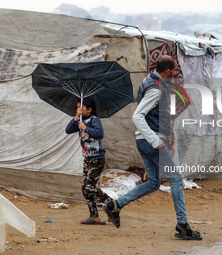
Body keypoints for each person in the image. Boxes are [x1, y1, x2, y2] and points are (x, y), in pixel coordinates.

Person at [103, 55, 202, 240]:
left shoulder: (150, 81)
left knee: (153, 182)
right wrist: (155, 141)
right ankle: (183, 224)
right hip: (151, 141)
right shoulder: (155, 88)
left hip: (145, 141)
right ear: (167, 71)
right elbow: (137, 116)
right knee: (176, 179)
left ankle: (115, 205)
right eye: (173, 70)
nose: (174, 73)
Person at [66, 97, 112, 225]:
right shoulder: (80, 120)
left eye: (81, 108)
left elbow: (100, 133)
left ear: (90, 109)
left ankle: (111, 203)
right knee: (85, 188)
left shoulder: (94, 120)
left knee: (89, 186)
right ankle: (94, 216)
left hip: (97, 158)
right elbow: (68, 130)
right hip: (87, 158)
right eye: (78, 107)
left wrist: (85, 128)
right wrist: (76, 117)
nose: (79, 110)